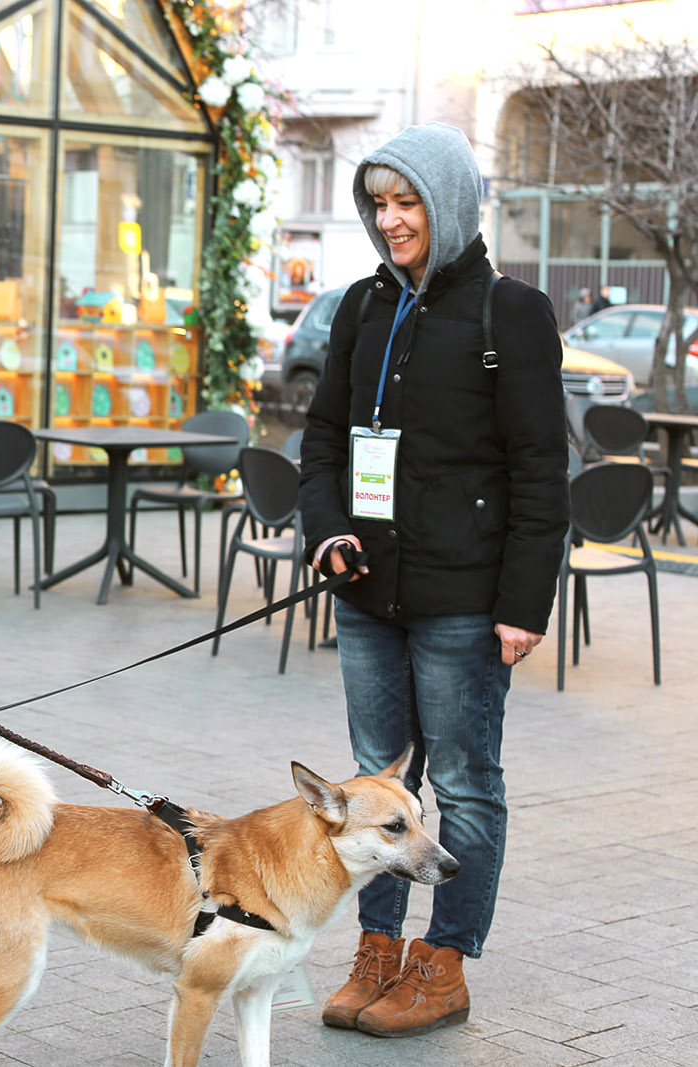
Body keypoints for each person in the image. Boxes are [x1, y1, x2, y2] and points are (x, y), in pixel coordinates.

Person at [298, 123, 568, 1039]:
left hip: (465, 601)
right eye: (379, 203)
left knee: (464, 781)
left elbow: (541, 470)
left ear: (446, 203)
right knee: (376, 783)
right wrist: (329, 528)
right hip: (369, 592)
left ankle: (444, 961)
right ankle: (377, 946)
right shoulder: (363, 306)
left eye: (407, 201)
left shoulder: (510, 313)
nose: (391, 220)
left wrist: (524, 604)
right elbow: (323, 439)